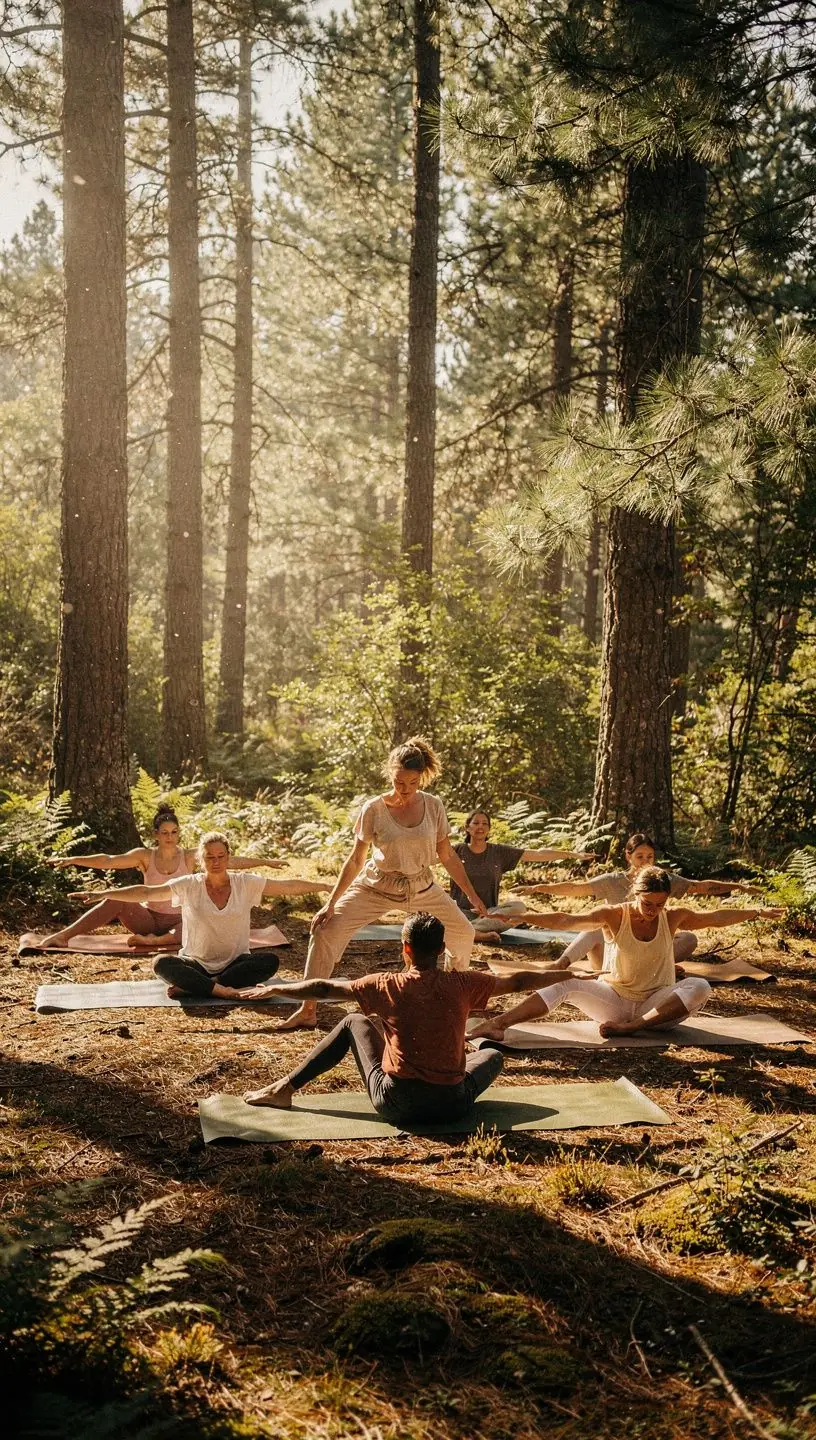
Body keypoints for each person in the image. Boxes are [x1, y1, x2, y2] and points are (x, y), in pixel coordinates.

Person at [241, 912, 570, 1124]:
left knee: (353, 1022)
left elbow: (325, 988)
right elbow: (520, 981)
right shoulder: (465, 983)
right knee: (493, 1055)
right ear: (441, 949)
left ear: (405, 949)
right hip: (451, 1106)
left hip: (397, 1104)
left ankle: (285, 1088)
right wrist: (569, 974)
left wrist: (278, 989)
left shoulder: (387, 984)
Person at [276, 736, 490, 1032]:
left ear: (421, 777)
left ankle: (449, 1001)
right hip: (376, 886)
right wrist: (332, 902)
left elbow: (447, 855)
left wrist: (472, 896)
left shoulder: (433, 806)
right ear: (391, 774)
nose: (406, 789)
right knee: (325, 930)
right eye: (400, 782)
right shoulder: (373, 809)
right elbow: (355, 860)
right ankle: (308, 1008)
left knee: (463, 933)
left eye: (413, 783)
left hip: (421, 886)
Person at [470, 867, 783, 1040]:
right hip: (615, 1003)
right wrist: (525, 918)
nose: (653, 911)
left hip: (657, 1010)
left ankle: (633, 1029)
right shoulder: (614, 915)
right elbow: (566, 920)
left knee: (700, 986)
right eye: (648, 904)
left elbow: (716, 917)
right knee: (566, 981)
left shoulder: (673, 917)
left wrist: (756, 910)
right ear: (636, 895)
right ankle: (499, 1022)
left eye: (660, 905)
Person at [68, 830, 332, 999]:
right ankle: (221, 990)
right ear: (201, 859)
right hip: (195, 962)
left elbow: (287, 886)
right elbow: (146, 891)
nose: (215, 862)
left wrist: (326, 887)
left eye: (221, 856)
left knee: (270, 962)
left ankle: (207, 985)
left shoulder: (244, 882)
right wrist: (105, 894)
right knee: (162, 963)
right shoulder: (189, 884)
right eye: (209, 857)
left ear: (229, 857)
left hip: (235, 963)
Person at [43, 803, 287, 951]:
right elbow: (108, 860)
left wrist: (265, 861)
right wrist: (73, 860)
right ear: (156, 834)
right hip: (149, 918)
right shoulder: (144, 856)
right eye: (165, 832)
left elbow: (232, 861)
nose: (170, 836)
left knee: (199, 926)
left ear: (179, 833)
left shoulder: (191, 856)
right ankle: (64, 936)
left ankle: (153, 942)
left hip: (181, 919)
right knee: (114, 900)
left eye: (174, 832)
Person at [514, 831, 764, 970]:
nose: (645, 861)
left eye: (650, 856)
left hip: (648, 951)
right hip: (615, 955)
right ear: (628, 856)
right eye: (640, 856)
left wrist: (740, 886)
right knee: (597, 926)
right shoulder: (613, 880)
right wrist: (540, 887)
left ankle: (655, 969)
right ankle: (561, 964)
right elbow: (575, 888)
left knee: (689, 938)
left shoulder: (662, 879)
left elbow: (702, 887)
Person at [451, 809, 595, 941]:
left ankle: (470, 931)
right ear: (467, 828)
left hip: (489, 915)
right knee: (442, 912)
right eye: (475, 823)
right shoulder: (457, 850)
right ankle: (468, 930)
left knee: (519, 909)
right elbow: (431, 858)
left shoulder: (498, 852)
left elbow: (537, 854)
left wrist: (572, 854)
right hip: (460, 913)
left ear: (489, 829)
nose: (480, 827)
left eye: (484, 824)